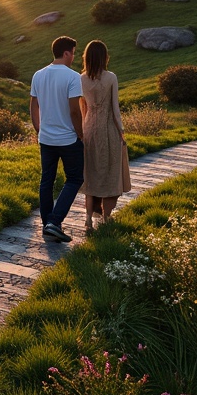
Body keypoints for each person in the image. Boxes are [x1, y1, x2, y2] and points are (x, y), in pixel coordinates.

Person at [29, 35, 84, 243]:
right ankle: (54, 222)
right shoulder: (72, 77)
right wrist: (81, 134)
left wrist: (38, 128)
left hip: (46, 138)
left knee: (47, 181)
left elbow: (33, 104)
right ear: (66, 53)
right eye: (73, 53)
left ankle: (48, 225)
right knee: (75, 178)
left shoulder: (38, 75)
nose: (74, 57)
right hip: (68, 139)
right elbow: (74, 111)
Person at [80, 40, 131, 233]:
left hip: (89, 129)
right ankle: (106, 218)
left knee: (91, 175)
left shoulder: (81, 78)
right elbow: (115, 109)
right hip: (108, 128)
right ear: (104, 57)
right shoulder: (111, 77)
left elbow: (83, 107)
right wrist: (122, 132)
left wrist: (82, 131)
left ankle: (88, 219)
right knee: (111, 173)